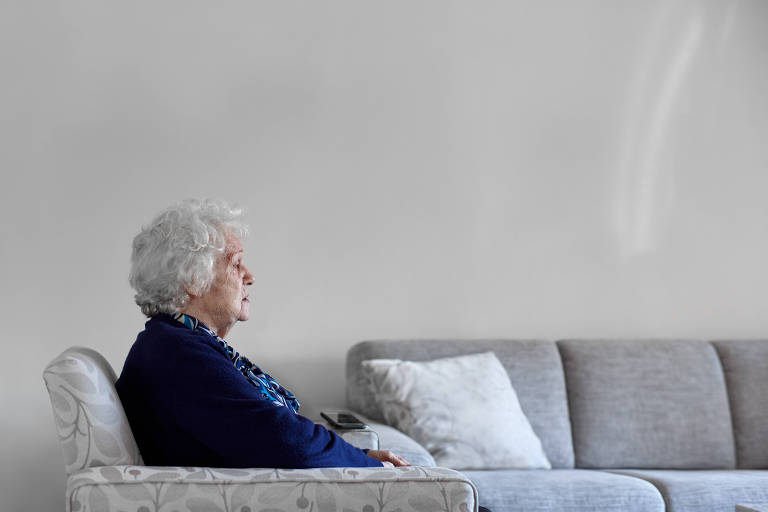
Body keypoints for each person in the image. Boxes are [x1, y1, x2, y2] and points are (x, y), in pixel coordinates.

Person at [115, 198, 409, 469]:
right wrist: (369, 465)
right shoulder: (175, 354)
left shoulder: (175, 343)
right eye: (236, 263)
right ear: (193, 280)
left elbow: (272, 431)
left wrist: (361, 456)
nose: (250, 276)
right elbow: (283, 438)